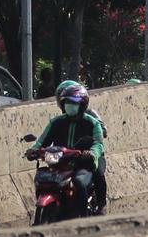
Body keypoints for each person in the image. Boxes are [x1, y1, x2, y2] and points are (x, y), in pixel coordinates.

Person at [29, 83, 105, 216]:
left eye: (74, 102)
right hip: (61, 163)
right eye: (67, 102)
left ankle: (85, 216)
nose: (70, 105)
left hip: (83, 163)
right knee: (43, 180)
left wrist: (92, 153)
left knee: (79, 182)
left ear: (82, 104)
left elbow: (98, 143)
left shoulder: (92, 122)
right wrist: (34, 150)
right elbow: (42, 140)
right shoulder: (56, 122)